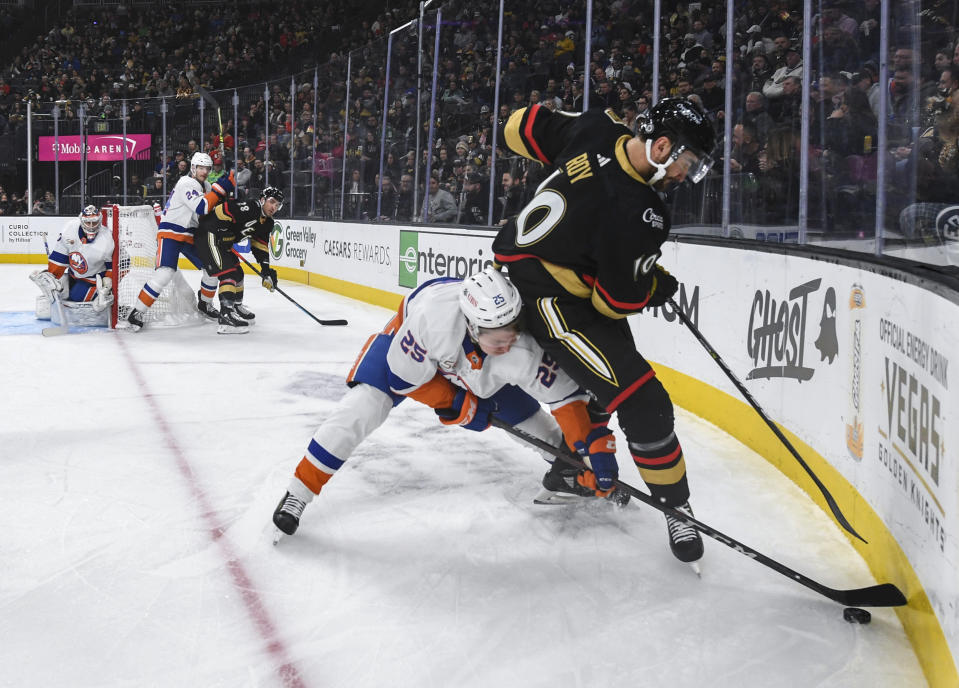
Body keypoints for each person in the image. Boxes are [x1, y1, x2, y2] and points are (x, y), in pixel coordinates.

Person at [491, 98, 717, 564]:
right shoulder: (642, 213)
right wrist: (654, 284)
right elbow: (614, 301)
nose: (684, 177)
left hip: (537, 276)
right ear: (662, 146)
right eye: (687, 164)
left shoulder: (598, 127)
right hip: (550, 299)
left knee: (606, 383)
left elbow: (518, 127)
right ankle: (677, 507)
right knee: (642, 399)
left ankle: (571, 470)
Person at [273, 268, 627, 537]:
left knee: (534, 427)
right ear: (473, 327)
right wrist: (456, 403)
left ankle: (574, 475)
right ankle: (300, 490)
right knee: (362, 407)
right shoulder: (432, 320)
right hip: (412, 355)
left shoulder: (517, 344)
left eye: (514, 331)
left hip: (469, 364)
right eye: (498, 338)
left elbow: (566, 400)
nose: (509, 342)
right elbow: (402, 379)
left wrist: (588, 448)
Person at [125, 152, 236, 331]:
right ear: (193, 168)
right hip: (171, 231)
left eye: (207, 168)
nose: (204, 171)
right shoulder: (186, 183)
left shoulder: (206, 185)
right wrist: (220, 189)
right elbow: (202, 207)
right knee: (165, 273)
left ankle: (205, 304)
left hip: (192, 233)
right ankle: (137, 312)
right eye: (200, 167)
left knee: (213, 268)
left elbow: (212, 207)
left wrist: (224, 193)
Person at [194, 187, 284, 334]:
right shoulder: (250, 208)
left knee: (237, 273)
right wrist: (223, 230)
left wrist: (266, 270)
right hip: (208, 235)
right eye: (272, 202)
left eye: (277, 205)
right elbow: (221, 210)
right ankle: (226, 316)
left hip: (222, 243)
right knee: (227, 273)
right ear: (262, 200)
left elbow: (259, 245)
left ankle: (235, 306)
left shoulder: (268, 223)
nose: (274, 207)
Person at [30, 204, 115, 322]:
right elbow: (60, 257)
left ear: (99, 221)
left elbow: (115, 266)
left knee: (75, 297)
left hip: (93, 280)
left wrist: (107, 286)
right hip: (73, 275)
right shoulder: (70, 229)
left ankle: (98, 295)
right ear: (81, 220)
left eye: (94, 223)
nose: (91, 227)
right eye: (88, 223)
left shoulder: (106, 240)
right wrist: (52, 276)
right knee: (60, 290)